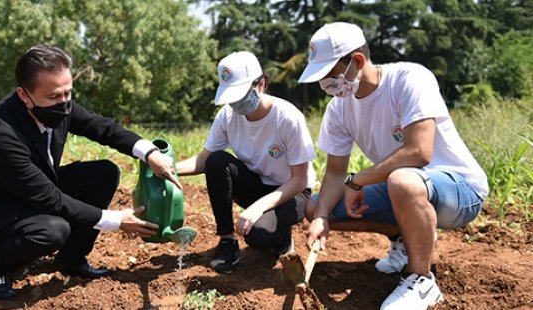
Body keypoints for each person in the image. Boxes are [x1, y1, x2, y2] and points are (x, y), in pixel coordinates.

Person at [0, 44, 182, 300]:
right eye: (54, 97)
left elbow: (101, 127)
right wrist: (117, 221)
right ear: (24, 95)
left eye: (68, 93)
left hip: (32, 190)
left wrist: (149, 152)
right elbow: (48, 199)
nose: (63, 104)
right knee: (53, 230)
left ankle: (71, 259)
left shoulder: (58, 104)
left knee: (103, 173)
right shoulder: (1, 136)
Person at [297, 22, 488, 310]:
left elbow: (419, 152)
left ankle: (421, 280)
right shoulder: (338, 109)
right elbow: (336, 172)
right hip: (404, 187)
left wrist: (358, 180)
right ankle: (403, 239)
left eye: (331, 75)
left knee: (403, 181)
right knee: (313, 206)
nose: (327, 85)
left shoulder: (409, 79)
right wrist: (322, 217)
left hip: (460, 189)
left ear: (357, 61)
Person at [176, 51, 317, 274]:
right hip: (257, 185)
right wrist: (168, 169)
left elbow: (300, 180)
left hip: (292, 192)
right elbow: (203, 161)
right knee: (217, 161)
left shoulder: (287, 118)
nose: (236, 103)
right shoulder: (227, 116)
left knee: (259, 236)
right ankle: (227, 241)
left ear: (261, 84)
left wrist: (258, 208)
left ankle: (281, 234)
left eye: (240, 94)